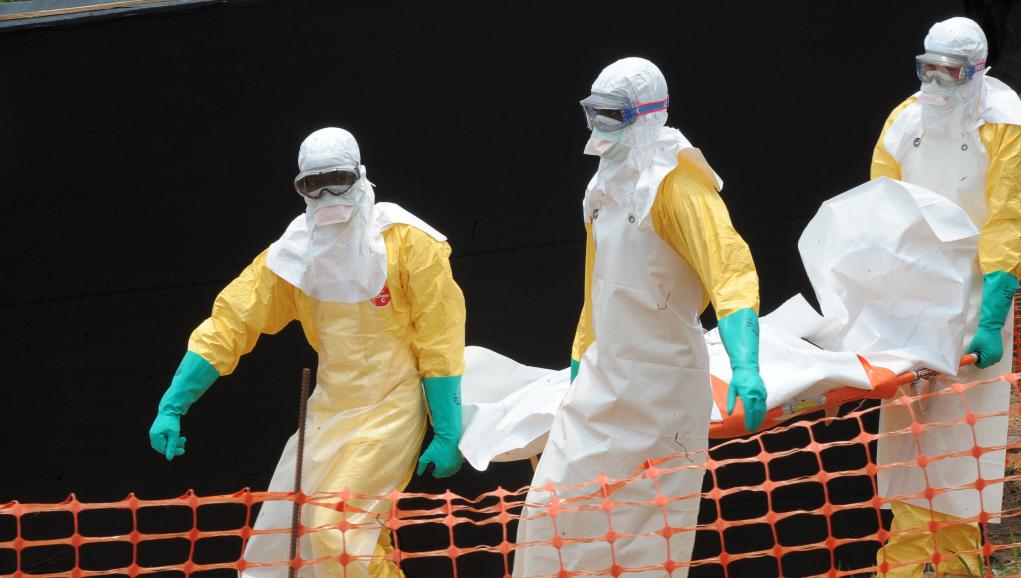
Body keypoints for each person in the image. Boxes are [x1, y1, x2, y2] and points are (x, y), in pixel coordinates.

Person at [147, 127, 466, 578]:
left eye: (338, 178)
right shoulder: (293, 253)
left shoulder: (408, 242)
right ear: (300, 188)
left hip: (392, 406)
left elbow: (440, 336)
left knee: (336, 530)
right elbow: (232, 321)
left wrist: (447, 429)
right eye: (313, 183)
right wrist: (174, 402)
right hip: (328, 413)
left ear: (361, 175)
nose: (327, 193)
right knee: (286, 544)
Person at [512, 57, 766, 578]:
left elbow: (731, 273)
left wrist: (745, 364)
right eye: (594, 113)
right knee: (549, 517)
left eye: (613, 115)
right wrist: (580, 358)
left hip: (663, 396)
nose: (600, 127)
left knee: (646, 544)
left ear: (648, 115)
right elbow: (596, 286)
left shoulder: (679, 186)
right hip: (604, 384)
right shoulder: (604, 189)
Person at [870, 17, 1021, 578]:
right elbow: (878, 207)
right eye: (927, 68)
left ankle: (953, 565)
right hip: (911, 302)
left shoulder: (1006, 125)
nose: (937, 81)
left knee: (959, 459)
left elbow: (1010, 220)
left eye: (951, 72)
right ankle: (904, 565)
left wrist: (992, 316)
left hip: (976, 302)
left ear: (977, 72)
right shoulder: (904, 119)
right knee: (908, 451)